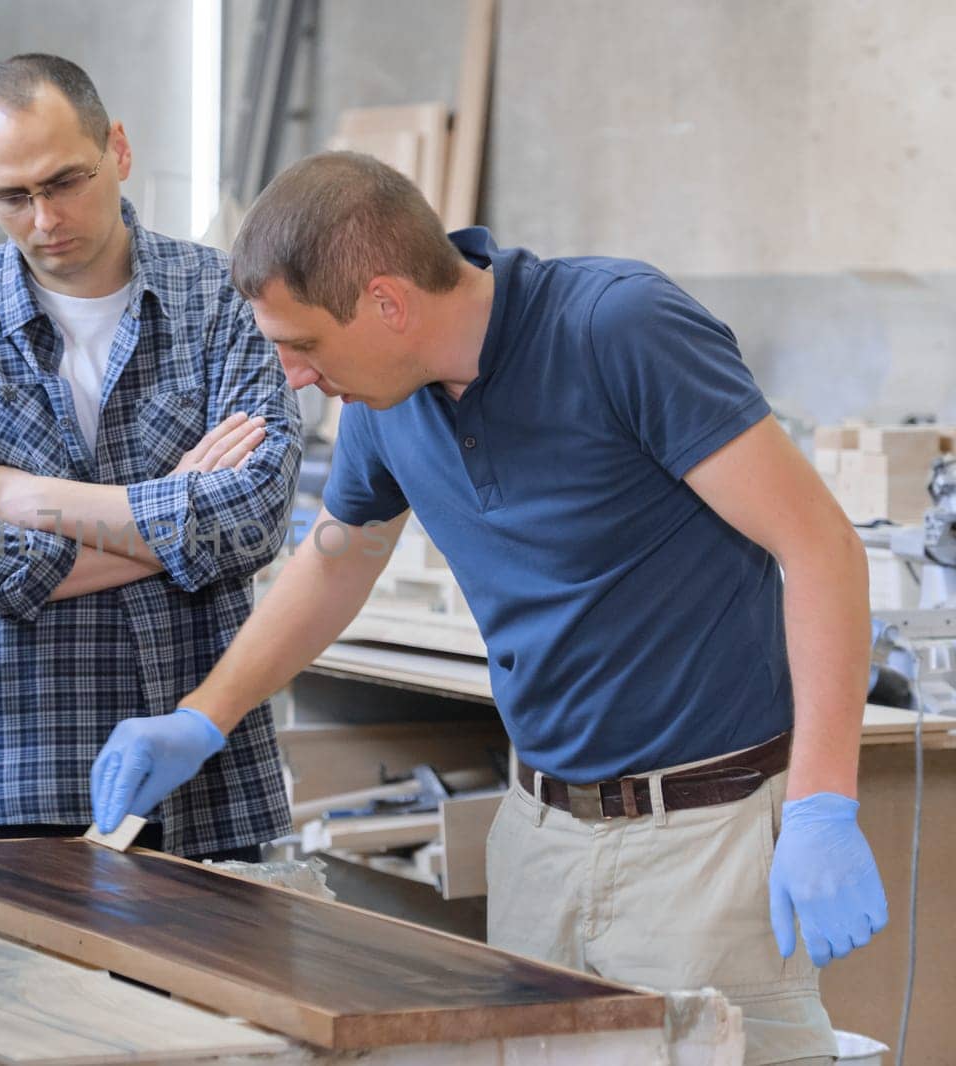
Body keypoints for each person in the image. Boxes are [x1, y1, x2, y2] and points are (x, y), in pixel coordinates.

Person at [92, 151, 887, 1065]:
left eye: (303, 343)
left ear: (388, 303)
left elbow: (821, 549)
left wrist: (824, 802)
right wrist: (203, 716)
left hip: (704, 843)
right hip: (537, 836)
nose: (294, 376)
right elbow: (337, 562)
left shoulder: (617, 328)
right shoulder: (385, 403)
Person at [0, 54, 301, 861]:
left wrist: (32, 501)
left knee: (210, 992)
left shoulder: (222, 298)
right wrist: (175, 511)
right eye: (11, 197)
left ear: (119, 149)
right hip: (17, 772)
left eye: (65, 181)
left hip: (205, 775)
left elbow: (253, 520)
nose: (44, 220)